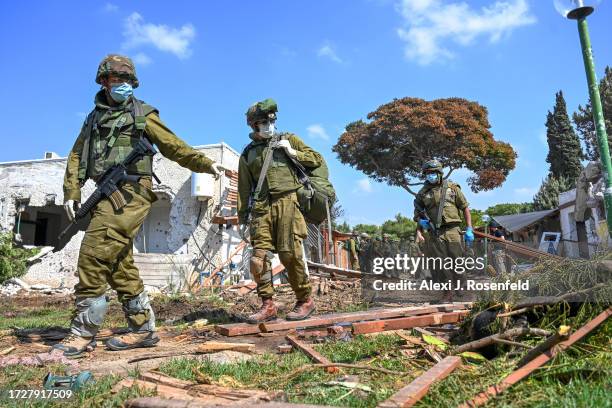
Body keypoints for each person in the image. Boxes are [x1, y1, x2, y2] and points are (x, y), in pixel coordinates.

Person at [54, 55, 223, 357]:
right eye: (117, 79)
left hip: (132, 191)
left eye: (128, 80)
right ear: (104, 81)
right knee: (119, 264)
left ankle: (82, 332)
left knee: (94, 253)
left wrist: (205, 163)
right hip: (104, 193)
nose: (123, 85)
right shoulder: (93, 119)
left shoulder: (142, 113)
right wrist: (72, 189)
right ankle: (142, 329)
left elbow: (172, 144)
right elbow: (78, 155)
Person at [237, 98, 323, 323]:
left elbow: (316, 160)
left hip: (288, 201)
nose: (268, 125)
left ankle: (305, 300)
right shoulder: (248, 154)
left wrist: (293, 152)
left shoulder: (289, 139)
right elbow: (243, 188)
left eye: (271, 121)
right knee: (258, 258)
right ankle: (268, 305)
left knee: (289, 254)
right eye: (263, 122)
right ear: (253, 125)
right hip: (261, 207)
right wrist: (242, 218)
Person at [414, 159, 473, 302]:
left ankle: (461, 284)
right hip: (435, 232)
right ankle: (447, 293)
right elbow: (417, 215)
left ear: (440, 173)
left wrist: (469, 228)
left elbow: (465, 207)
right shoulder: (422, 194)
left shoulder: (452, 188)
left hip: (453, 230)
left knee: (457, 260)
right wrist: (420, 226)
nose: (430, 175)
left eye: (433, 173)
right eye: (428, 173)